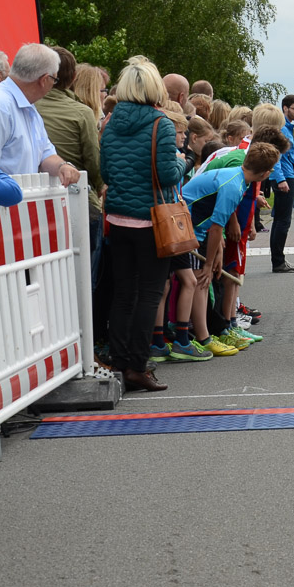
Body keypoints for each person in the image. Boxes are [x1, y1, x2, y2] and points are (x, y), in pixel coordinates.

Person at [98, 56, 184, 391]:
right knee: (150, 293)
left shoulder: (110, 123)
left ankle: (120, 362)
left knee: (123, 294)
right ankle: (138, 364)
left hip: (118, 218)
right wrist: (183, 162)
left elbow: (106, 172)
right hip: (152, 220)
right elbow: (167, 175)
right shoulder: (161, 124)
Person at [182, 142, 280, 354]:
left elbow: (217, 224)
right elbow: (217, 227)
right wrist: (209, 264)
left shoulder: (238, 177)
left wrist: (217, 254)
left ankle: (207, 334)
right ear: (265, 173)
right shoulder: (234, 186)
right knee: (201, 280)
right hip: (187, 228)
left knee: (201, 280)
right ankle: (204, 338)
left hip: (198, 228)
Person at [35, 46, 104, 275]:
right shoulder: (82, 112)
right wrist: (99, 186)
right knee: (85, 274)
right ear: (73, 77)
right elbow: (93, 161)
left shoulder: (29, 106)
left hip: (35, 198)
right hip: (77, 197)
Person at [0, 44, 81, 186]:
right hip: (1, 198)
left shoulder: (27, 106)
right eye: (54, 80)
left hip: (15, 197)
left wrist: (62, 166)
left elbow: (45, 153)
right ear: (44, 80)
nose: (53, 85)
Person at [268, 93, 294, 273]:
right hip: (284, 177)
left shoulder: (286, 128)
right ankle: (278, 261)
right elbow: (276, 155)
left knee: (279, 220)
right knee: (283, 221)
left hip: (287, 175)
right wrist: (280, 178)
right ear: (285, 108)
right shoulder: (282, 128)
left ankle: (278, 259)